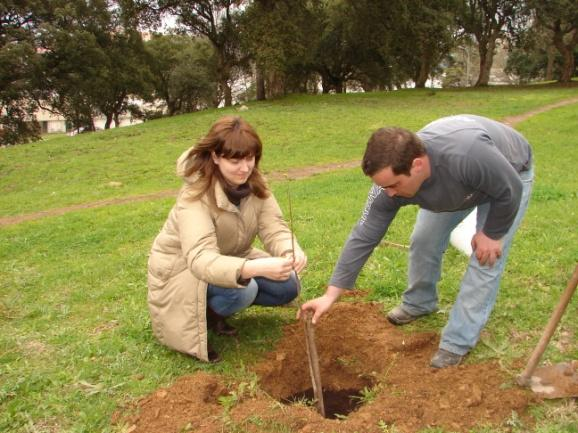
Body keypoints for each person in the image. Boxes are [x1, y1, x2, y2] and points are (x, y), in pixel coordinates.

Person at [300, 114, 533, 368]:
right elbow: (364, 235)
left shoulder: (467, 154)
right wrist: (331, 294)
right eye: (383, 187)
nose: (388, 193)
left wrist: (492, 234)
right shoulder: (387, 187)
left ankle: (457, 341)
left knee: (485, 257)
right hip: (454, 187)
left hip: (508, 177)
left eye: (394, 185)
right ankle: (419, 303)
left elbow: (510, 188)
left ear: (417, 165)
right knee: (424, 239)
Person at [148, 116, 307, 363]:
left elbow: (274, 227)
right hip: (183, 270)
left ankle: (218, 308)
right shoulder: (194, 195)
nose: (245, 168)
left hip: (229, 258)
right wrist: (251, 268)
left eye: (250, 159)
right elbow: (199, 258)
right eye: (235, 160)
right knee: (243, 290)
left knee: (289, 284)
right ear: (215, 156)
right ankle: (209, 316)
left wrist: (290, 250)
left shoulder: (255, 185)